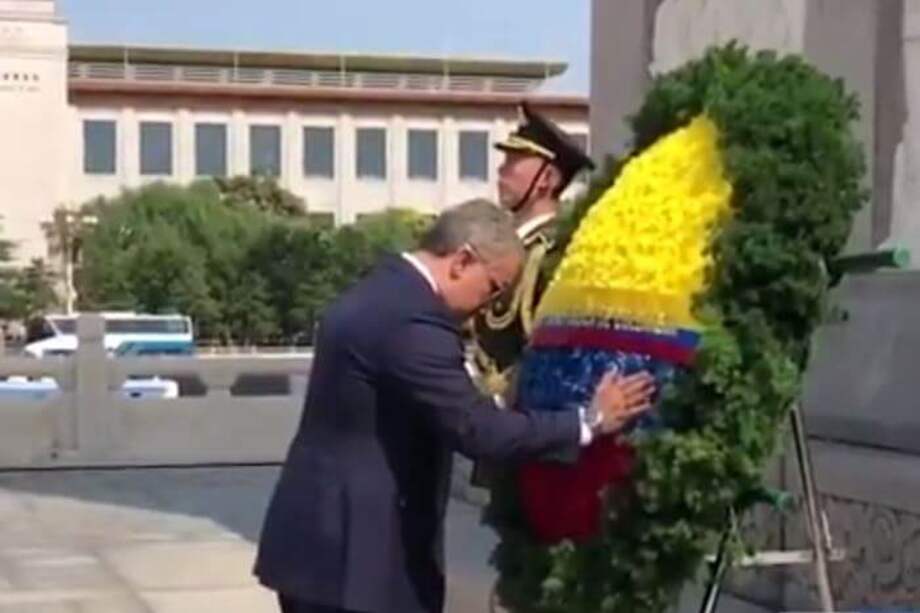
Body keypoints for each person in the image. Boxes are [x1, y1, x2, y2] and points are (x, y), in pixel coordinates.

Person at [254, 199, 654, 613]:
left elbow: (417, 400)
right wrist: (588, 421)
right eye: (493, 288)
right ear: (462, 261)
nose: (486, 306)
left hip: (316, 548)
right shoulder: (414, 323)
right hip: (360, 562)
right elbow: (480, 432)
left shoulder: (382, 287)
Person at [469, 101, 595, 486]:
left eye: (513, 163)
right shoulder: (506, 246)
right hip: (495, 434)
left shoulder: (556, 252)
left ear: (547, 179)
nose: (501, 172)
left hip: (532, 436)